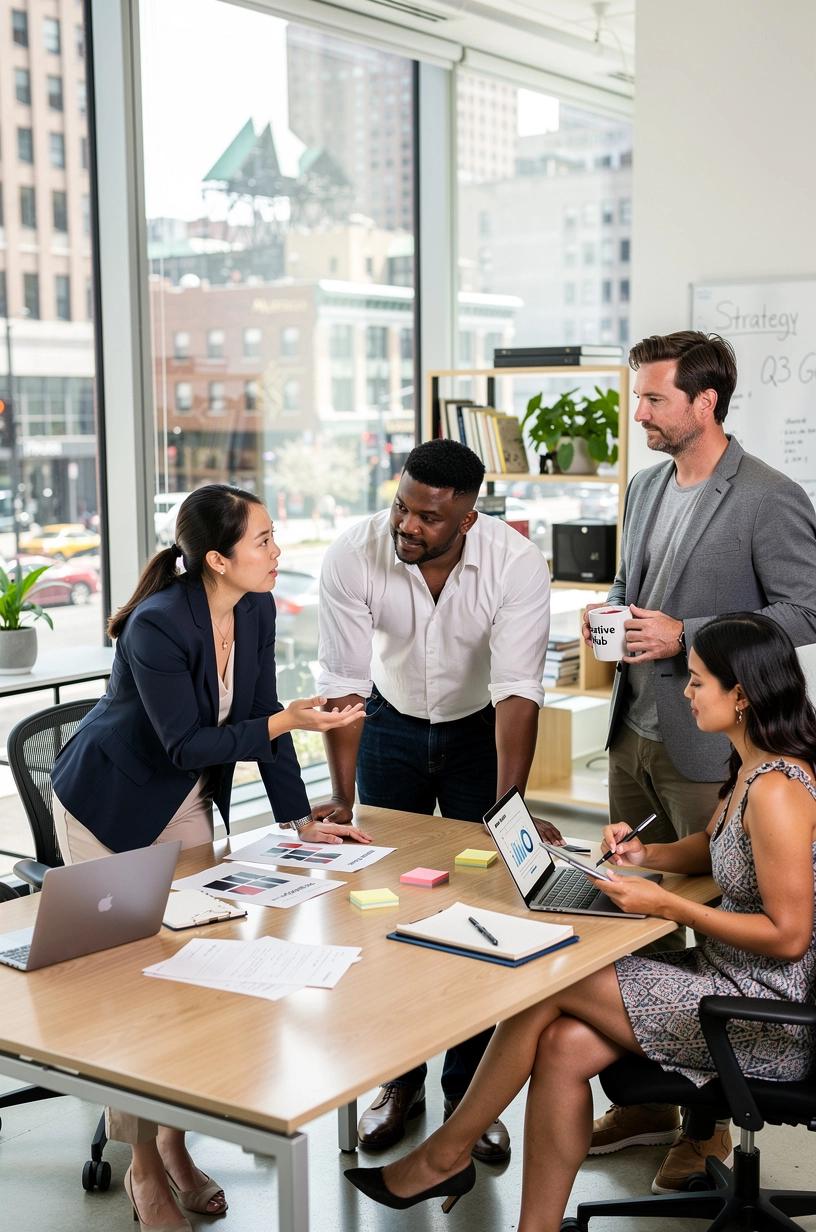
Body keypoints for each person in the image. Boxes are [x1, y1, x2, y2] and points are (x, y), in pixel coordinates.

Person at [345, 611, 816, 1229]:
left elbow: (790, 937)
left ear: (743, 694)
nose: (685, 690)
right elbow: (717, 845)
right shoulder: (751, 767)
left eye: (698, 681)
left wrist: (669, 904)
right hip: (725, 977)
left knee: (551, 977)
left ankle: (445, 1153)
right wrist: (650, 856)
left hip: (761, 1012)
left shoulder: (779, 788)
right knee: (564, 1046)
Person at [51, 484, 368, 1232]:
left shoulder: (253, 607)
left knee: (196, 969)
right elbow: (184, 741)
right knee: (127, 990)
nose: (277, 552)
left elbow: (264, 714)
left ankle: (174, 1138)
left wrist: (299, 821)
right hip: (110, 801)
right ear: (217, 558)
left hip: (183, 795)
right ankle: (146, 1170)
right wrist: (283, 718)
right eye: (263, 540)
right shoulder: (158, 626)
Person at [581, 330, 816, 1187]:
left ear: (705, 402)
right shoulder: (645, 486)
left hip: (709, 743)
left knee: (707, 910)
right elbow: (625, 586)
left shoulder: (767, 495)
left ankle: (708, 1125)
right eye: (638, 397)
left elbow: (807, 609)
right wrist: (607, 618)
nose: (638, 413)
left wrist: (691, 637)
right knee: (634, 899)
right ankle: (639, 1098)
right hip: (635, 727)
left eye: (652, 399)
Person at [313, 437, 561, 1161]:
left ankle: (467, 1096)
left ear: (468, 515)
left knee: (477, 907)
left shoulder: (514, 563)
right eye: (401, 506)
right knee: (382, 904)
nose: (408, 526)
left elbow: (518, 689)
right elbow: (343, 682)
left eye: (427, 516)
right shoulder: (353, 553)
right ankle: (400, 1084)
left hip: (478, 727)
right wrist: (341, 798)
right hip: (387, 722)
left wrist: (507, 810)